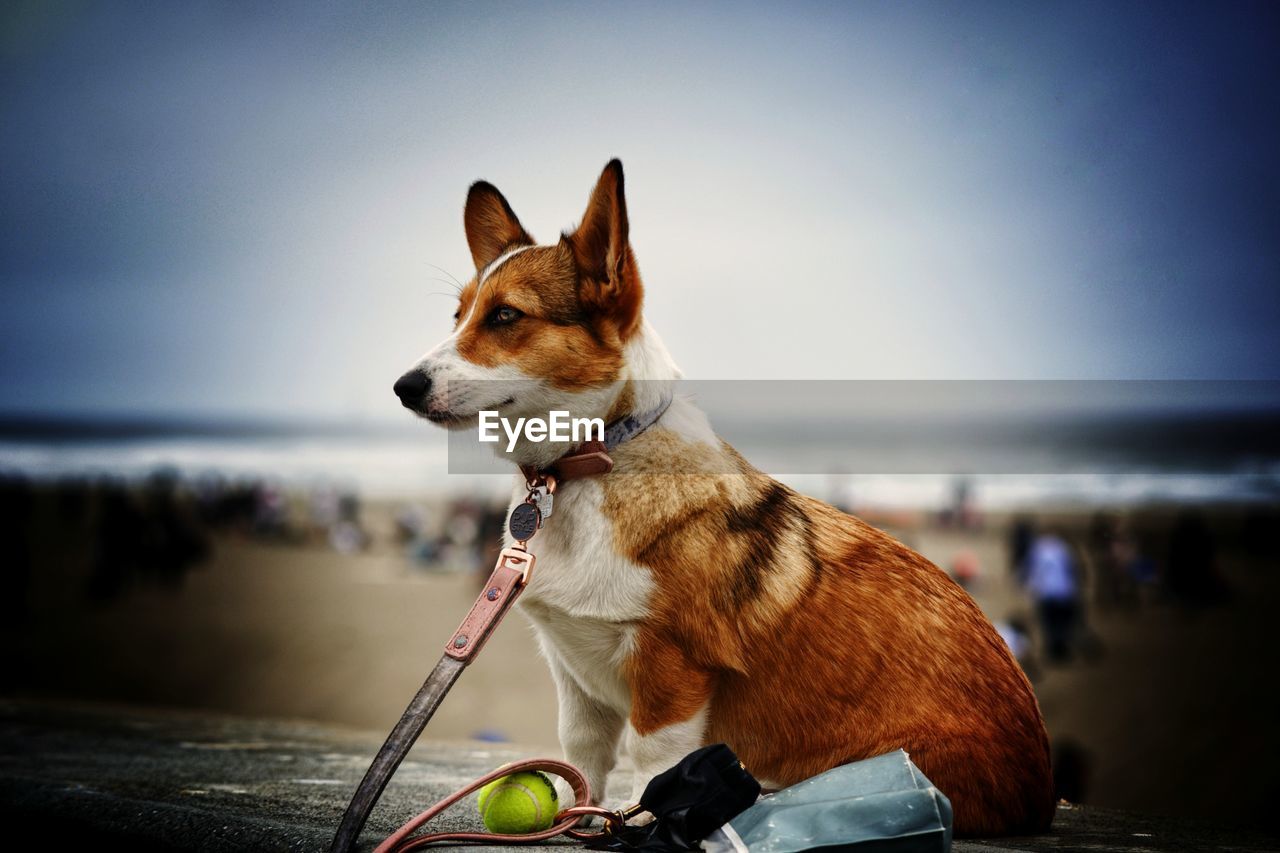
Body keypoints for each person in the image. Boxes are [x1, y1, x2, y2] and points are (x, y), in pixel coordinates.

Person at [1024, 527, 1080, 663]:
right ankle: (1061, 649)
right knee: (1062, 622)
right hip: (1064, 590)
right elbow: (1072, 568)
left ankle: (1053, 650)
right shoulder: (1063, 548)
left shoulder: (1037, 548)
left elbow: (1032, 569)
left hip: (1045, 591)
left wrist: (1031, 586)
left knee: (1049, 623)